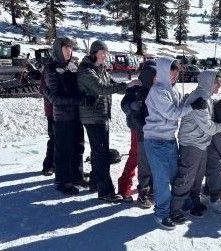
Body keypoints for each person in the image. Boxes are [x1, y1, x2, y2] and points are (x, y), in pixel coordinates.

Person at [143, 57, 206, 230]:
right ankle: (161, 213)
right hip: (155, 141)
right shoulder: (158, 91)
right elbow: (171, 113)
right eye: (172, 70)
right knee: (162, 180)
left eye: (177, 71)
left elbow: (180, 107)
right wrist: (192, 107)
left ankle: (181, 204)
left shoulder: (173, 89)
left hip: (170, 140)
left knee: (176, 175)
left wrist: (190, 101)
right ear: (163, 71)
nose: (175, 74)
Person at [77, 40, 140, 203]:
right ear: (95, 53)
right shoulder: (86, 70)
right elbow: (101, 89)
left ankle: (95, 183)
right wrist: (126, 86)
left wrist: (131, 87)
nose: (106, 55)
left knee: (99, 151)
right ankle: (106, 191)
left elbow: (112, 84)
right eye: (102, 52)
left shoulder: (101, 69)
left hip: (101, 115)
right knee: (102, 153)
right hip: (92, 116)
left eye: (106, 52)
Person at [169, 70, 221, 222]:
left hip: (201, 143)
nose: (220, 85)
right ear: (208, 82)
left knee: (198, 177)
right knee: (186, 177)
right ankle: (174, 209)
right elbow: (208, 127)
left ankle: (193, 202)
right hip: (191, 144)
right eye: (217, 82)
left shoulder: (207, 97)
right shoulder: (200, 97)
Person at [44, 37, 87, 195]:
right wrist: (79, 100)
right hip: (62, 117)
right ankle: (63, 180)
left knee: (78, 146)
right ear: (58, 50)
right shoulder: (51, 69)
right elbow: (55, 98)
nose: (69, 51)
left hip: (77, 115)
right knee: (64, 149)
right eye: (66, 48)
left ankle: (77, 175)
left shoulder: (73, 66)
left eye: (70, 48)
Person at [117, 60, 156, 207]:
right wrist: (131, 105)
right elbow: (124, 105)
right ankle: (124, 187)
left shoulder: (155, 87)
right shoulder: (137, 85)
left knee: (150, 158)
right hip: (136, 127)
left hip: (151, 129)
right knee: (136, 156)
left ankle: (150, 187)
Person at [39, 66, 55, 176]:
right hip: (52, 110)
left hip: (67, 110)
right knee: (54, 138)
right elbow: (42, 88)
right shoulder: (49, 68)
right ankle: (48, 165)